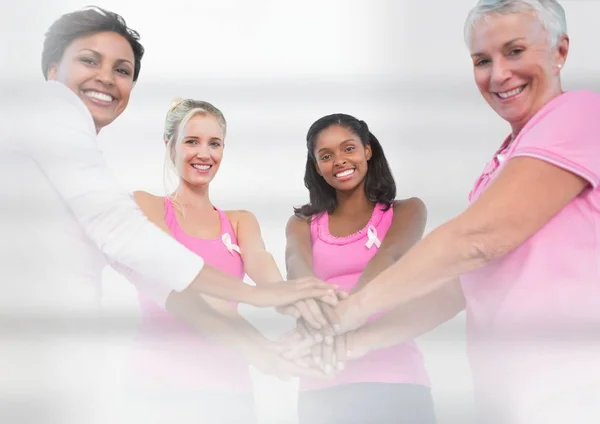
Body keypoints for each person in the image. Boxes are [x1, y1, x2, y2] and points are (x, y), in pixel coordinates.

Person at [0, 6, 335, 423]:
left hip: (67, 373)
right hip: (126, 386)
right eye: (89, 60)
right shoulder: (55, 110)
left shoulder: (74, 153)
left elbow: (161, 283)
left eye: (122, 70)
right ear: (53, 69)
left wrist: (282, 333)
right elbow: (133, 245)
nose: (106, 77)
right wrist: (256, 299)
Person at [325, 1, 600, 423]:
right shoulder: (504, 166)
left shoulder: (580, 114)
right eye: (481, 60)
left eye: (515, 51)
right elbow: (457, 286)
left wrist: (353, 308)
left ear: (560, 51)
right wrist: (356, 341)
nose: (499, 74)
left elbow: (476, 240)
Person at [126, 98, 328, 423]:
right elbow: (185, 285)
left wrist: (310, 309)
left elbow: (268, 277)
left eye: (214, 143)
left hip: (231, 394)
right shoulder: (146, 206)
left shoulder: (239, 222)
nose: (204, 154)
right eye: (192, 141)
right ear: (170, 146)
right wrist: (261, 346)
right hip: (161, 391)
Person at [283, 114, 437, 424]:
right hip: (322, 383)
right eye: (326, 156)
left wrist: (345, 316)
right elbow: (298, 270)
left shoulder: (406, 211)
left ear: (367, 150)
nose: (339, 161)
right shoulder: (302, 224)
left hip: (394, 379)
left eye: (348, 148)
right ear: (316, 166)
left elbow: (389, 258)